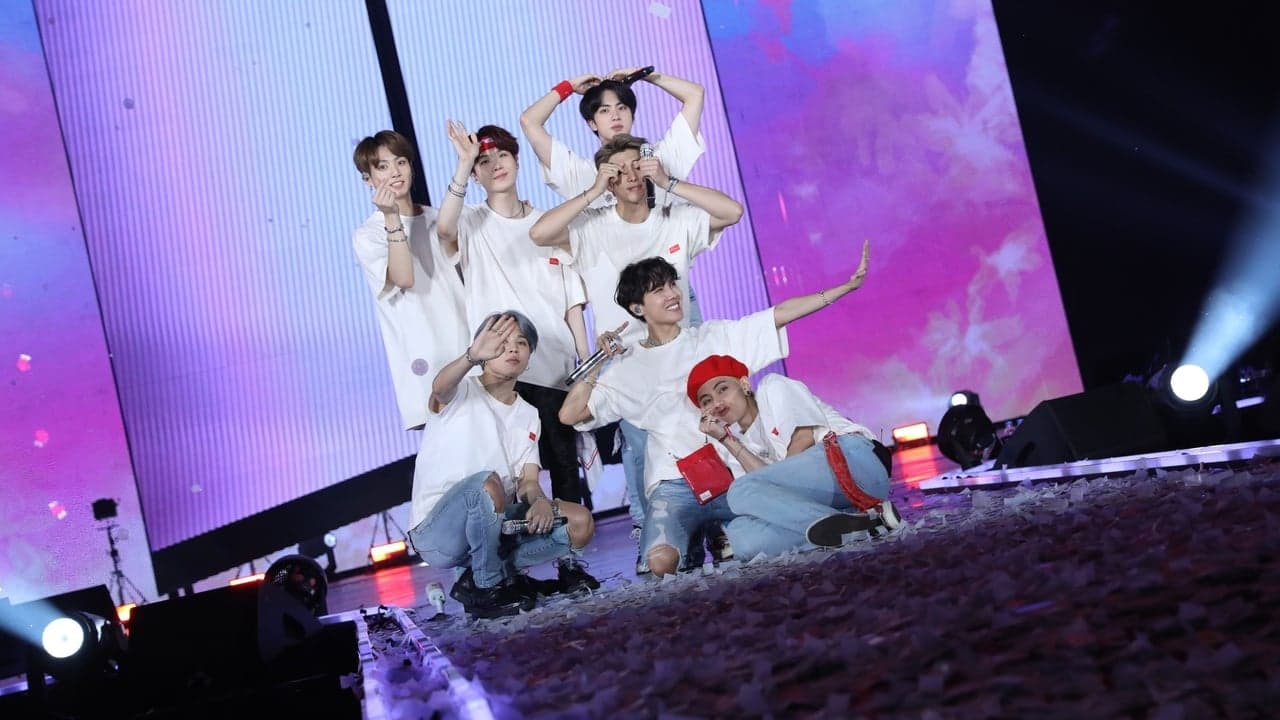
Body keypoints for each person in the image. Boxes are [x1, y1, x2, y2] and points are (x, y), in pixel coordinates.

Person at [558, 240, 872, 577]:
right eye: (659, 290)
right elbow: (570, 415)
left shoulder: (712, 337)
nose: (672, 294)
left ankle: (852, 521)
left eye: (672, 284)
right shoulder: (627, 366)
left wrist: (843, 288)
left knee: (756, 539)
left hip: (734, 476)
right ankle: (696, 537)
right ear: (638, 308)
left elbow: (777, 315)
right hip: (674, 486)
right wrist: (598, 361)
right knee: (659, 563)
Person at [530, 133, 742, 568]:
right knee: (647, 458)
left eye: (636, 166)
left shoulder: (673, 217)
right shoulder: (592, 226)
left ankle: (717, 530)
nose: (630, 176)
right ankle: (662, 544)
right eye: (619, 170)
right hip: (627, 365)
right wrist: (593, 191)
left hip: (681, 356)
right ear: (608, 179)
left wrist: (668, 182)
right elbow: (539, 233)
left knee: (704, 441)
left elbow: (732, 212)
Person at [435, 121, 593, 507]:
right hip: (499, 371)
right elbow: (443, 230)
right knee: (507, 473)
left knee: (564, 469)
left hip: (554, 368)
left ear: (517, 160)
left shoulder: (548, 223)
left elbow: (572, 300)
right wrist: (463, 162)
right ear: (475, 175)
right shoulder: (471, 222)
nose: (496, 165)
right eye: (484, 161)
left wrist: (586, 364)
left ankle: (571, 544)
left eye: (503, 155)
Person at [407, 312, 598, 619]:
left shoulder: (528, 414)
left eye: (521, 343)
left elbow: (528, 480)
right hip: (438, 534)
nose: (512, 349)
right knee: (486, 485)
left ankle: (484, 577)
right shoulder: (461, 391)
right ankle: (488, 587)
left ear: (529, 356)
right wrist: (470, 356)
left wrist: (539, 501)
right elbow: (440, 388)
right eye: (502, 342)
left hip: (493, 525)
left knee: (579, 521)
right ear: (483, 349)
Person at [686, 355, 902, 559]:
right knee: (740, 537)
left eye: (722, 389)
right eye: (706, 401)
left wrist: (775, 496)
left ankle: (830, 521)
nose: (717, 403)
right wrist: (726, 440)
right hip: (829, 495)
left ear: (744, 384)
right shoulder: (734, 444)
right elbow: (764, 494)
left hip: (854, 462)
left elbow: (803, 439)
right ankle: (866, 524)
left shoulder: (772, 387)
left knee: (739, 491)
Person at [351, 130, 467, 430]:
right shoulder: (368, 234)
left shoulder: (436, 218)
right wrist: (391, 217)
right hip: (426, 358)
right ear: (368, 179)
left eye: (400, 162)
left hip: (468, 348)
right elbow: (404, 278)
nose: (395, 172)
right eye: (382, 166)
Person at [520, 68, 705, 210]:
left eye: (622, 108)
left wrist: (643, 74)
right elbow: (529, 121)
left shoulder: (662, 158)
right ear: (592, 123)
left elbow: (695, 94)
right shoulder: (580, 173)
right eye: (605, 110)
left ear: (632, 115)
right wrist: (568, 86)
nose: (615, 116)